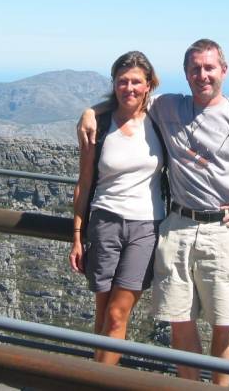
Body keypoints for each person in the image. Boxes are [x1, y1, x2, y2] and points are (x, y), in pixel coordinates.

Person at [79, 39, 229, 385]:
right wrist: (90, 112)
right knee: (179, 321)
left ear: (223, 71)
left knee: (224, 324)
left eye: (209, 67)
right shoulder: (168, 107)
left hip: (224, 229)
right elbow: (129, 97)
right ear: (185, 75)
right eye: (195, 69)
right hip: (177, 227)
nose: (203, 75)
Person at [70, 50, 166, 365]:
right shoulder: (98, 124)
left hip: (146, 227)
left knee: (116, 313)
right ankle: (97, 378)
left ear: (149, 84)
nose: (129, 88)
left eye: (136, 82)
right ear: (113, 84)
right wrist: (77, 236)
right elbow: (84, 183)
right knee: (102, 314)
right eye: (122, 82)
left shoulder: (160, 117)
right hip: (104, 223)